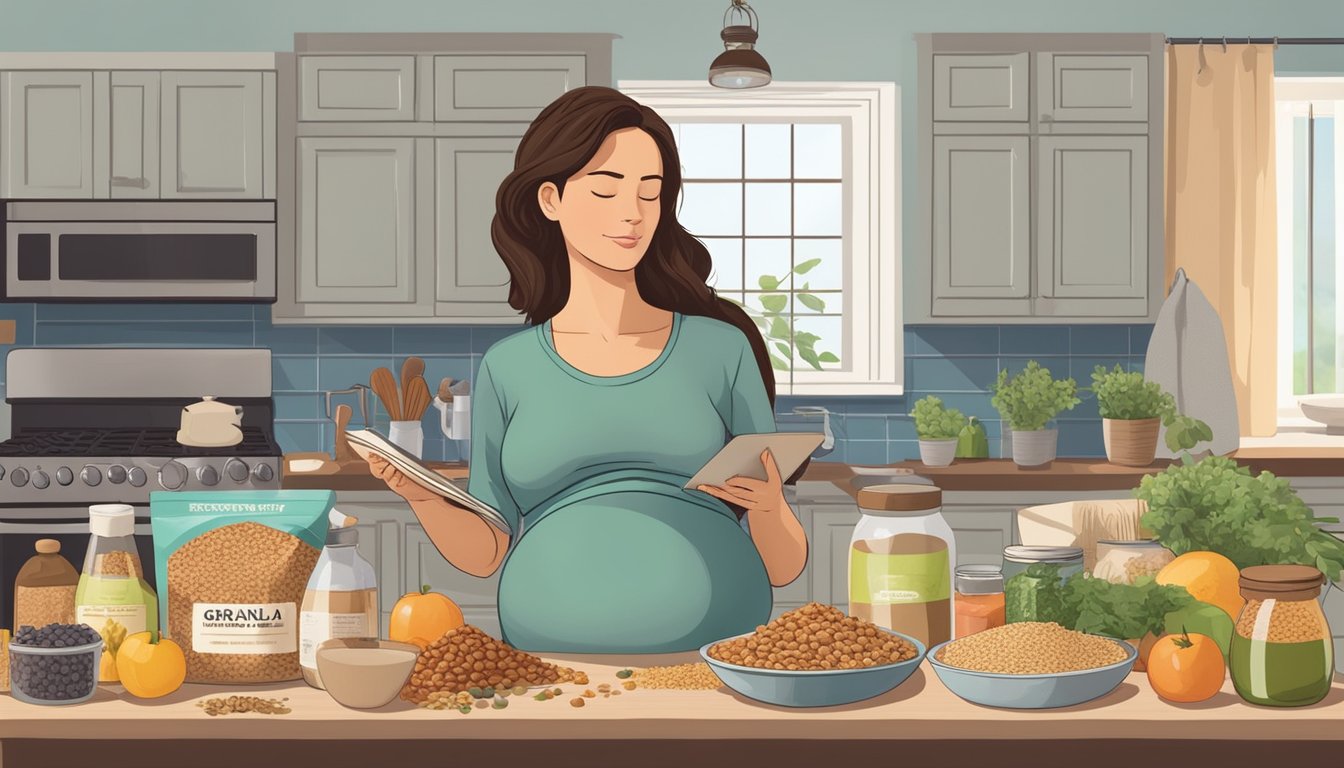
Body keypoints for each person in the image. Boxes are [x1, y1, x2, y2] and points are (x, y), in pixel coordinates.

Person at [366, 86, 809, 653]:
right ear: (549, 199)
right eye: (606, 190)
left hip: (716, 656)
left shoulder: (720, 350)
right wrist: (422, 496)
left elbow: (784, 565)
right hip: (548, 660)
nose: (632, 213)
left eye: (651, 194)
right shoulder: (509, 367)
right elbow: (487, 553)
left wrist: (770, 508)